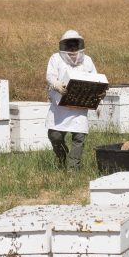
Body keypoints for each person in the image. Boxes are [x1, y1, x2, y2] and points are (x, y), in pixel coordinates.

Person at [45, 30, 100, 169]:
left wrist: (99, 91)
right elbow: (50, 75)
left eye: (75, 45)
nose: (72, 48)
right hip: (60, 107)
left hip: (79, 107)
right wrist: (56, 84)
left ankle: (73, 168)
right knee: (55, 136)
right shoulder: (55, 58)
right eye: (69, 45)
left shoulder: (87, 61)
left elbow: (95, 79)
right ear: (64, 46)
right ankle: (62, 158)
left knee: (79, 138)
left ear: (80, 45)